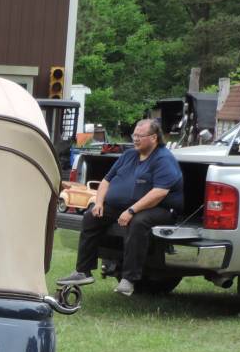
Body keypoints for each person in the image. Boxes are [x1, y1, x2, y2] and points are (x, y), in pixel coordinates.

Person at [58, 118, 184, 296]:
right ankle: (82, 271)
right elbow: (106, 181)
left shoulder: (163, 159)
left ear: (154, 138)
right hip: (122, 206)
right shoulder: (129, 155)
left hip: (160, 209)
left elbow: (159, 193)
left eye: (141, 136)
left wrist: (132, 210)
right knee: (91, 217)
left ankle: (129, 279)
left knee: (138, 222)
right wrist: (99, 202)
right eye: (134, 135)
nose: (135, 139)